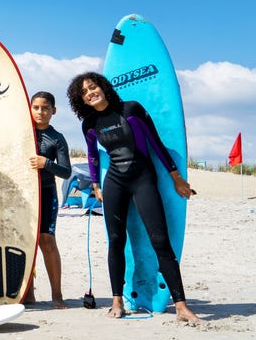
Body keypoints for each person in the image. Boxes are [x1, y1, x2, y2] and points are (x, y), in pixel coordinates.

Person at [67, 72, 200, 323]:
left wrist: (176, 177)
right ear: (80, 100)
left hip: (143, 179)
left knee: (160, 240)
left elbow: (156, 143)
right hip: (115, 181)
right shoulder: (89, 123)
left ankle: (181, 306)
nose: (90, 93)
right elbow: (93, 155)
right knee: (115, 240)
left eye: (93, 87)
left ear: (103, 87)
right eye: (84, 92)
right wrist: (96, 184)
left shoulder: (131, 109)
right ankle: (117, 301)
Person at [27, 91, 71, 308]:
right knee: (25, 242)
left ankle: (57, 295)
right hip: (23, 195)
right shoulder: (21, 132)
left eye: (45, 108)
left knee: (46, 241)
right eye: (36, 107)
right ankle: (28, 293)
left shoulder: (57, 138)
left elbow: (66, 172)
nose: (40, 112)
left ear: (53, 111)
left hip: (45, 192)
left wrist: (47, 163)